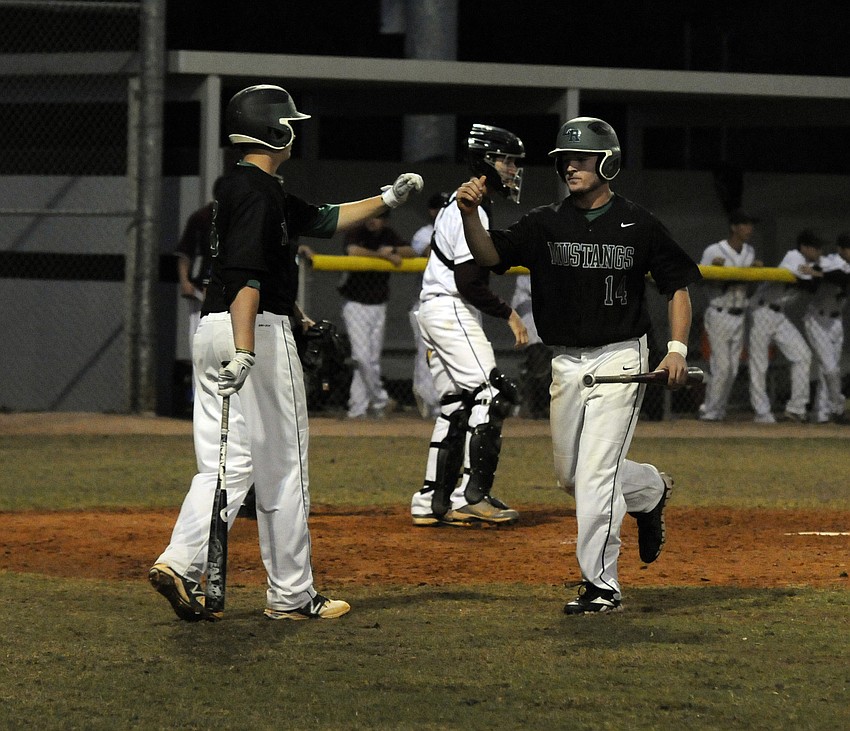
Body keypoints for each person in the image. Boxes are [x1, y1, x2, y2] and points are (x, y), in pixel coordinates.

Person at [148, 84, 423, 622]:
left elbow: (321, 219)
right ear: (276, 131)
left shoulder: (241, 186)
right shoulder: (259, 194)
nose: (295, 131)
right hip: (251, 332)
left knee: (224, 467)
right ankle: (292, 595)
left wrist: (388, 198)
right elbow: (248, 274)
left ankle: (180, 562)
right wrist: (249, 349)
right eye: (290, 124)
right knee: (283, 467)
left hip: (212, 328)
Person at [455, 117, 702, 614]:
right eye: (564, 160)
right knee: (571, 475)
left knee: (593, 477)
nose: (569, 166)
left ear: (607, 161)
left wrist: (676, 348)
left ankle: (601, 585)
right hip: (566, 360)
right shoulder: (545, 222)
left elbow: (677, 286)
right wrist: (469, 213)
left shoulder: (639, 222)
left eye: (581, 158)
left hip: (621, 357)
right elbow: (487, 255)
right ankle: (649, 489)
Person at [409, 124, 529, 527]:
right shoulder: (470, 207)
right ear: (486, 161)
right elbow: (469, 282)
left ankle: (431, 499)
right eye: (507, 160)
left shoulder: (467, 203)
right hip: (451, 307)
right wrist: (509, 314)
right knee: (494, 393)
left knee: (457, 404)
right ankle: (470, 495)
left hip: (433, 309)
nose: (512, 169)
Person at [338, 210, 415, 420]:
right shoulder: (357, 231)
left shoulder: (388, 234)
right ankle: (381, 399)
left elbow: (411, 251)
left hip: (378, 304)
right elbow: (352, 251)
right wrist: (381, 255)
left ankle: (358, 408)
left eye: (379, 217)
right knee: (361, 357)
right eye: (371, 217)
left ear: (385, 220)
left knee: (371, 360)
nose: (373, 221)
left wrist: (391, 249)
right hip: (355, 303)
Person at [748, 229, 821, 423]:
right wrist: (815, 274)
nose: (819, 251)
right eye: (815, 247)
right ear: (804, 248)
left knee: (803, 355)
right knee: (759, 364)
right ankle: (762, 412)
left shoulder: (811, 265)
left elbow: (816, 281)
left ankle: (796, 409)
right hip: (761, 311)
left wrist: (815, 272)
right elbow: (810, 286)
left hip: (778, 315)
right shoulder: (794, 257)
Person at [697, 209, 763, 422]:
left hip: (740, 313)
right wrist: (717, 272)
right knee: (722, 366)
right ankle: (710, 411)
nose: (749, 229)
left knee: (733, 369)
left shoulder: (749, 252)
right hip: (719, 312)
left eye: (750, 225)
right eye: (744, 224)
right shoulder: (714, 250)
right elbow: (701, 281)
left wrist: (754, 274)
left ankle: (717, 409)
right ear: (734, 227)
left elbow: (750, 289)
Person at [409, 192, 449, 419]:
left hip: (449, 301)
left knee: (445, 353)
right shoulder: (424, 233)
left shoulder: (457, 230)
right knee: (427, 353)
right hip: (423, 302)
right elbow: (431, 252)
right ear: (432, 211)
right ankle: (427, 401)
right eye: (439, 207)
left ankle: (443, 402)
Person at [803, 233, 850, 423]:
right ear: (840, 249)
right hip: (817, 320)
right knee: (830, 369)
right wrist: (818, 273)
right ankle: (838, 409)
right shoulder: (830, 261)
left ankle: (821, 413)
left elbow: (844, 279)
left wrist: (819, 274)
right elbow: (836, 276)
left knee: (829, 370)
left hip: (836, 322)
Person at [174, 178, 223, 354]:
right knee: (200, 343)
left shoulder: (237, 219)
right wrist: (185, 281)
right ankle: (198, 380)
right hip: (199, 288)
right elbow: (185, 252)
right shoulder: (201, 217)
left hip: (225, 291)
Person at [511, 273, 553, 419]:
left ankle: (541, 404)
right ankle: (536, 406)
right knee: (537, 354)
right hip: (527, 301)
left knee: (547, 357)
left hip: (553, 301)